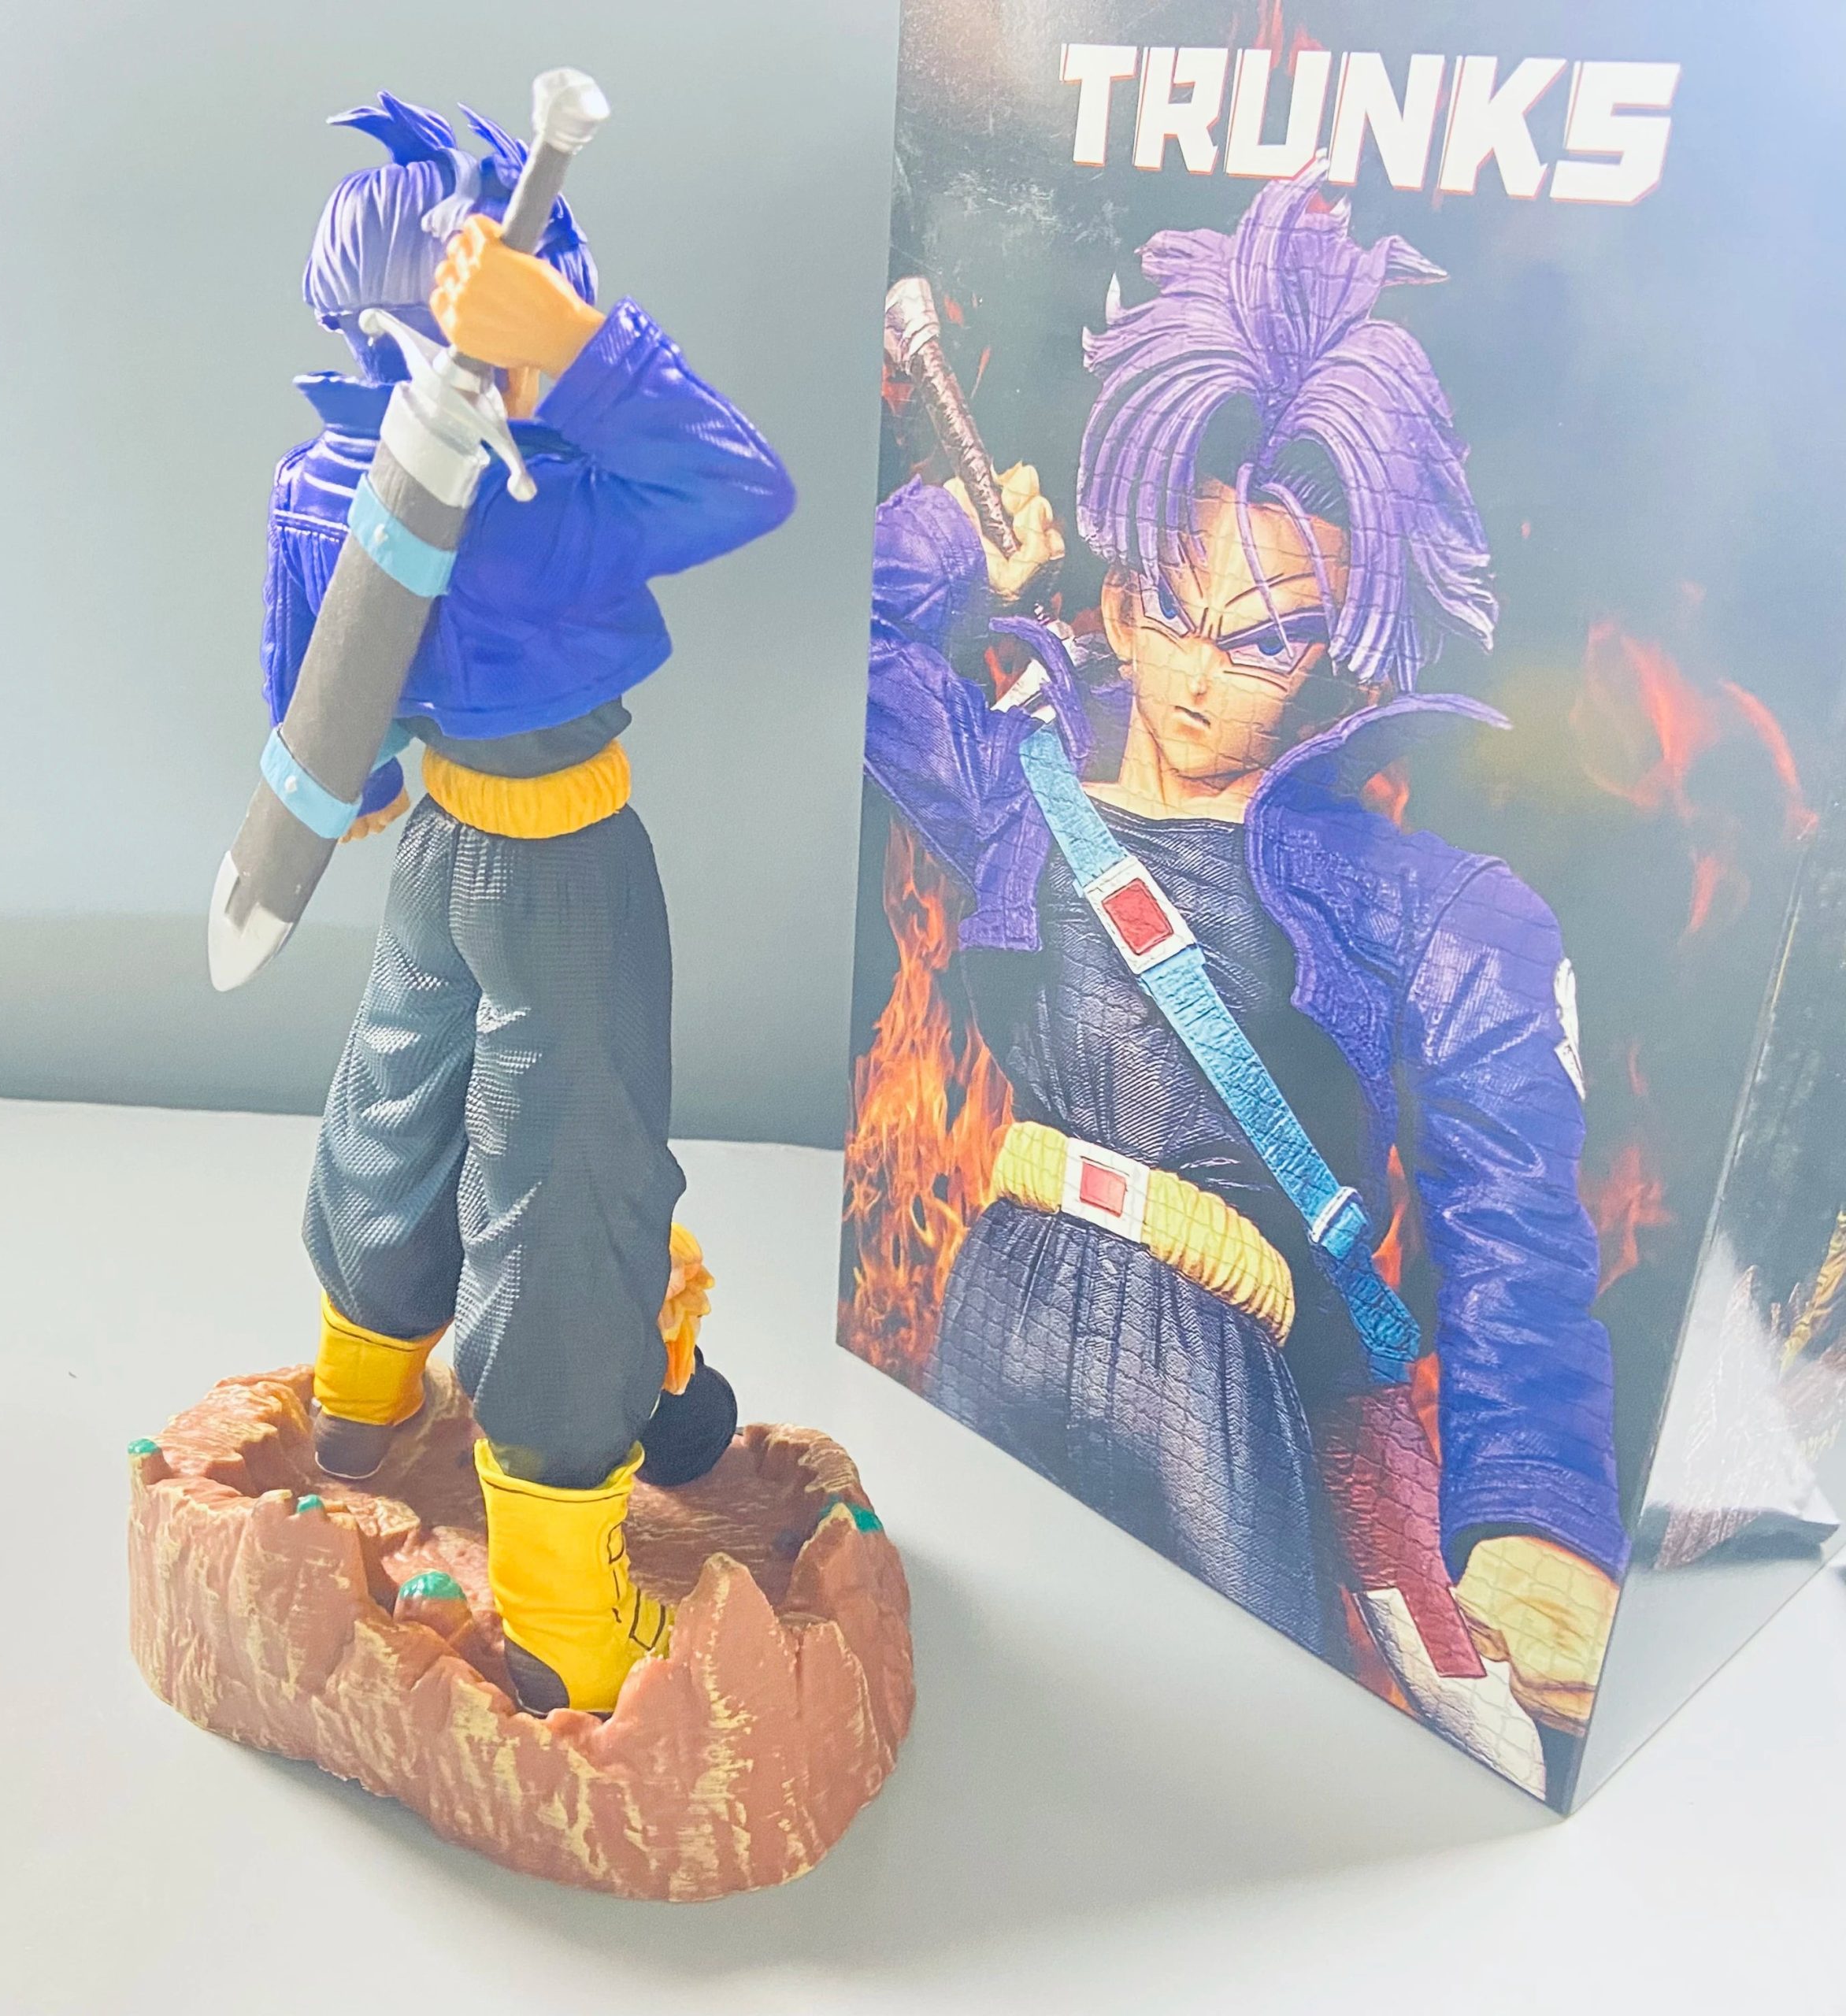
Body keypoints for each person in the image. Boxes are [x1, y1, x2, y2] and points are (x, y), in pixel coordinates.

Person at [865, 171, 1623, 1759]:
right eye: (1170, 607)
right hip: (998, 1301)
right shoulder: (1019, 782)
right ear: (1119, 592)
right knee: (960, 1662)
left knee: (1230, 1739)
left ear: (1332, 644)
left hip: (1218, 1365)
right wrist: (957, 536)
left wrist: (1535, 1505)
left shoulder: (1405, 895)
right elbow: (857, 657)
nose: (1201, 673)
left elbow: (1511, 1210)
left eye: (1265, 634)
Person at [261, 94, 793, 1714]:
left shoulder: (334, 473)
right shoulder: (543, 498)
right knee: (569, 1180)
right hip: (561, 863)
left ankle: (361, 1402)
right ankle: (559, 1589)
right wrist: (587, 356)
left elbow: (314, 694)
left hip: (437, 844)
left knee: (402, 1102)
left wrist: (354, 777)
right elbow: (743, 483)